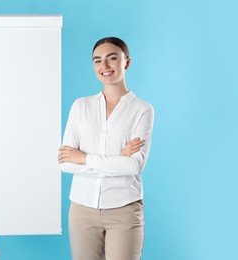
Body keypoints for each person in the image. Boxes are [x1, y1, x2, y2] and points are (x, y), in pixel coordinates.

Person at [58, 37, 154, 260]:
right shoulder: (80, 106)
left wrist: (83, 158)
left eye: (112, 59)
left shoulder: (142, 110)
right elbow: (65, 163)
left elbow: (134, 166)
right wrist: (116, 159)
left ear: (126, 62)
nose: (105, 66)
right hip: (82, 209)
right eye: (97, 61)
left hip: (124, 208)